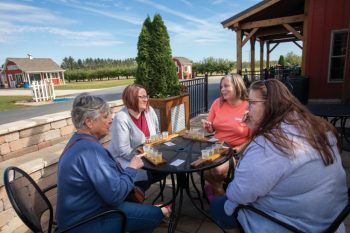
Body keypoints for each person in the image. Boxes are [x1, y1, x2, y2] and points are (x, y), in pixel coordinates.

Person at [210, 79, 348, 233]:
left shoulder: (269, 145)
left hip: (295, 226)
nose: (246, 110)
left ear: (270, 105)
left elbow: (238, 194)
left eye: (252, 103)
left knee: (219, 205)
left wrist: (255, 132)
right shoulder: (316, 127)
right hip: (331, 220)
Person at [56, 93, 165, 233]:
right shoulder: (90, 150)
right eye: (105, 116)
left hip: (75, 216)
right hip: (86, 222)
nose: (111, 119)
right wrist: (132, 168)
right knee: (154, 214)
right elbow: (115, 196)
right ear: (89, 122)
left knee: (139, 205)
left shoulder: (77, 141)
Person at [201, 74, 250, 197]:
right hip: (217, 146)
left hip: (237, 149)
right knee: (198, 165)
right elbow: (211, 128)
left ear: (237, 86)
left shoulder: (249, 106)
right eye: (221, 86)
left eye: (226, 86)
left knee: (217, 170)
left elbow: (255, 135)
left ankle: (214, 189)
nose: (222, 89)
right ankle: (218, 190)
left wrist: (240, 148)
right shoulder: (218, 103)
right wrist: (209, 127)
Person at [109, 84, 164, 191]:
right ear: (131, 98)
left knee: (165, 169)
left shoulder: (149, 111)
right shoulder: (121, 118)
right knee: (144, 179)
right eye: (142, 97)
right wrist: (148, 159)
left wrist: (155, 153)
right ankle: (136, 201)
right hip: (126, 162)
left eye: (146, 96)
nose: (146, 100)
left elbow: (157, 133)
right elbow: (124, 152)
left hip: (147, 157)